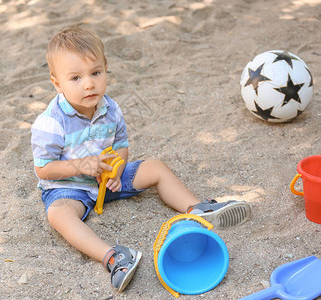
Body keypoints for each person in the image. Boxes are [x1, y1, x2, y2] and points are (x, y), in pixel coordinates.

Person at [31, 25, 251, 292]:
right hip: (69, 187)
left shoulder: (110, 108)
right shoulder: (51, 122)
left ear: (106, 69)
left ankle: (198, 209)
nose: (89, 83)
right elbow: (43, 169)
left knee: (155, 167)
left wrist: (117, 169)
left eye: (96, 73)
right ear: (57, 83)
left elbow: (121, 146)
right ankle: (114, 257)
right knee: (58, 216)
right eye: (75, 78)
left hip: (107, 180)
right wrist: (80, 166)